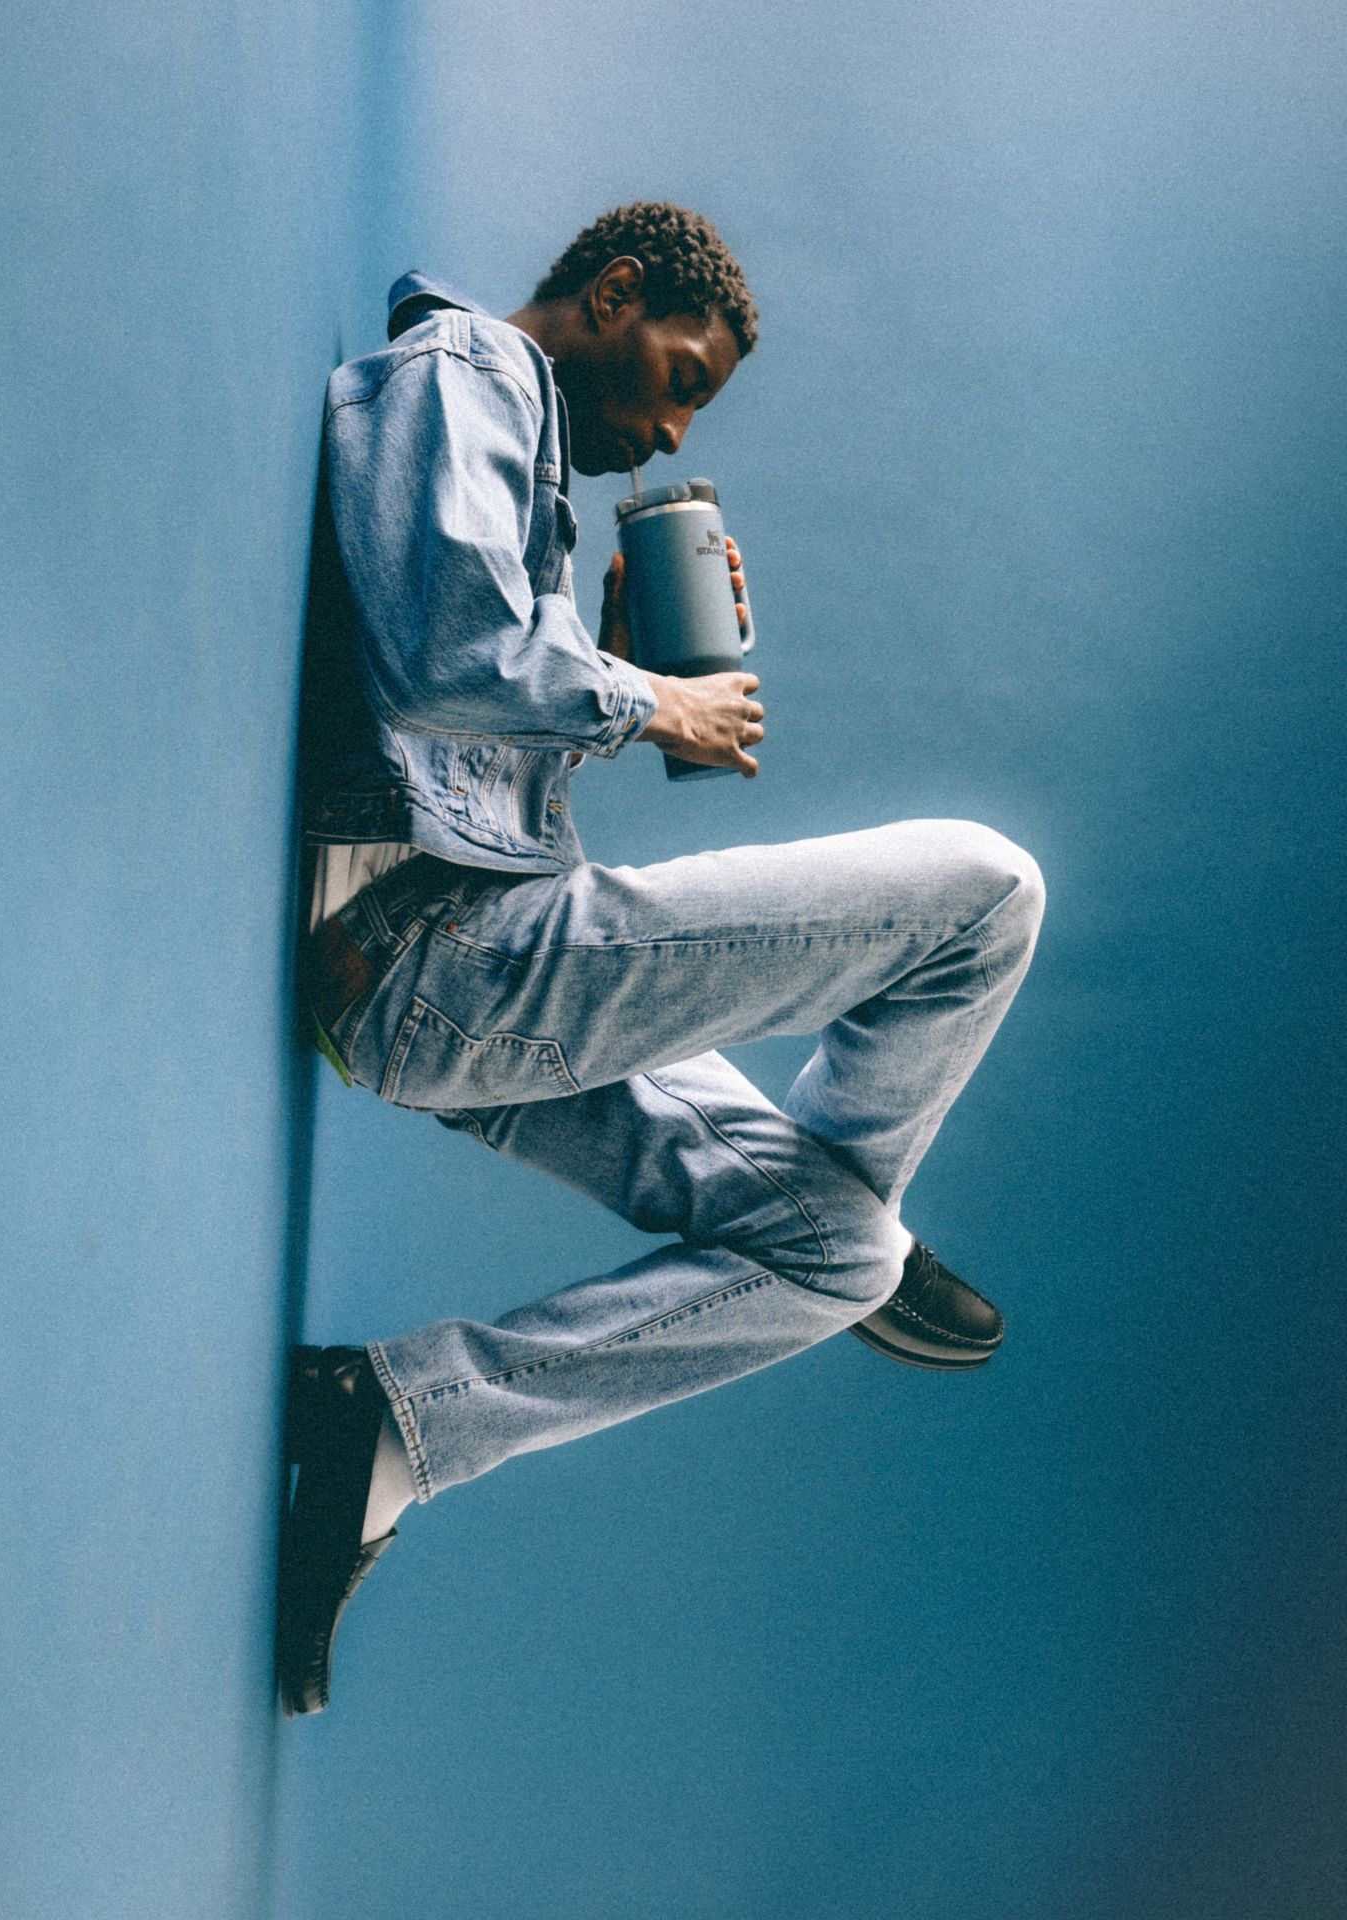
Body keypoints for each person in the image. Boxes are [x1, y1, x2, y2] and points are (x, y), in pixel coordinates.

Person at [277, 202, 1046, 1717]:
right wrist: (644, 698)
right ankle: (846, 1174)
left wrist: (612, 649)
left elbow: (465, 704)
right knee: (989, 889)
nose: (676, 419)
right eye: (679, 373)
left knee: (841, 1256)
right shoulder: (469, 370)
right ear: (614, 294)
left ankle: (397, 1424)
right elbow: (443, 655)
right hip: (435, 956)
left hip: (458, 982)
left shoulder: (529, 460)